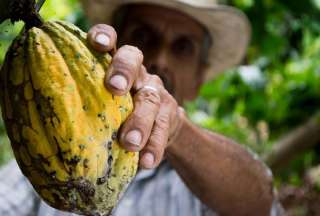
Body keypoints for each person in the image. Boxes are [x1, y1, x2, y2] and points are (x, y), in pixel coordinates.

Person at [0, 0, 284, 215]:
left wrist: (177, 132)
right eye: (144, 36)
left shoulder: (209, 184)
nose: (160, 59)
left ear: (199, 78)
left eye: (183, 47)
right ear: (111, 45)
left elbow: (261, 202)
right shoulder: (45, 154)